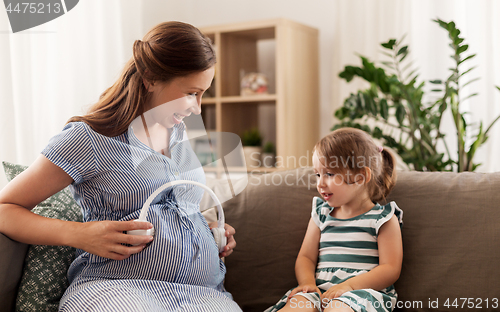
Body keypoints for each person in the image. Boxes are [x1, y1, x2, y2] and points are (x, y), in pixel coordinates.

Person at [0, 21, 242, 312]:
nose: (197, 108)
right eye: (191, 93)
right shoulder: (88, 138)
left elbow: (168, 205)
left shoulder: (178, 133)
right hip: (117, 288)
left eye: (203, 93)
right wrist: (79, 234)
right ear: (151, 78)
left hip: (202, 294)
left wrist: (207, 229)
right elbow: (6, 209)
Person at [265, 127, 403, 312]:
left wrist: (349, 286)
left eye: (329, 174)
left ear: (361, 177)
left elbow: (390, 268)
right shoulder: (321, 214)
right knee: (299, 305)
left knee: (339, 308)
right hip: (319, 291)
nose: (320, 183)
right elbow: (306, 257)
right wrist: (307, 284)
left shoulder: (383, 218)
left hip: (362, 293)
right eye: (318, 174)